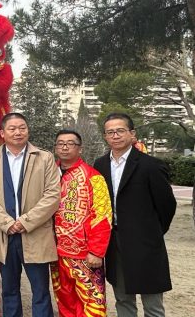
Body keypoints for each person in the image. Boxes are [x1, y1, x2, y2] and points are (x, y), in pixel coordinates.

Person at [93, 113, 176, 317]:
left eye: (120, 130)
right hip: (114, 242)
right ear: (105, 136)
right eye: (110, 132)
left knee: (153, 304)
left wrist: (153, 231)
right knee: (123, 300)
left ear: (132, 134)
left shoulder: (151, 165)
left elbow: (167, 205)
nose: (115, 136)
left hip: (145, 243)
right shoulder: (100, 165)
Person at [0, 112, 61, 317]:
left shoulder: (44, 158)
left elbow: (53, 195)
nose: (18, 132)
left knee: (40, 290)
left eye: (22, 128)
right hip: (4, 233)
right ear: (3, 133)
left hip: (34, 232)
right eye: (12, 128)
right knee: (9, 290)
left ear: (28, 130)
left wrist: (25, 222)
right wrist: (8, 223)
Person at [52, 129, 112, 317]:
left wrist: (96, 251)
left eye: (70, 143)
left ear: (80, 148)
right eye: (61, 143)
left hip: (84, 254)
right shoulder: (49, 173)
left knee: (91, 302)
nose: (65, 147)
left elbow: (103, 215)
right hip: (55, 251)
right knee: (64, 299)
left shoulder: (93, 176)